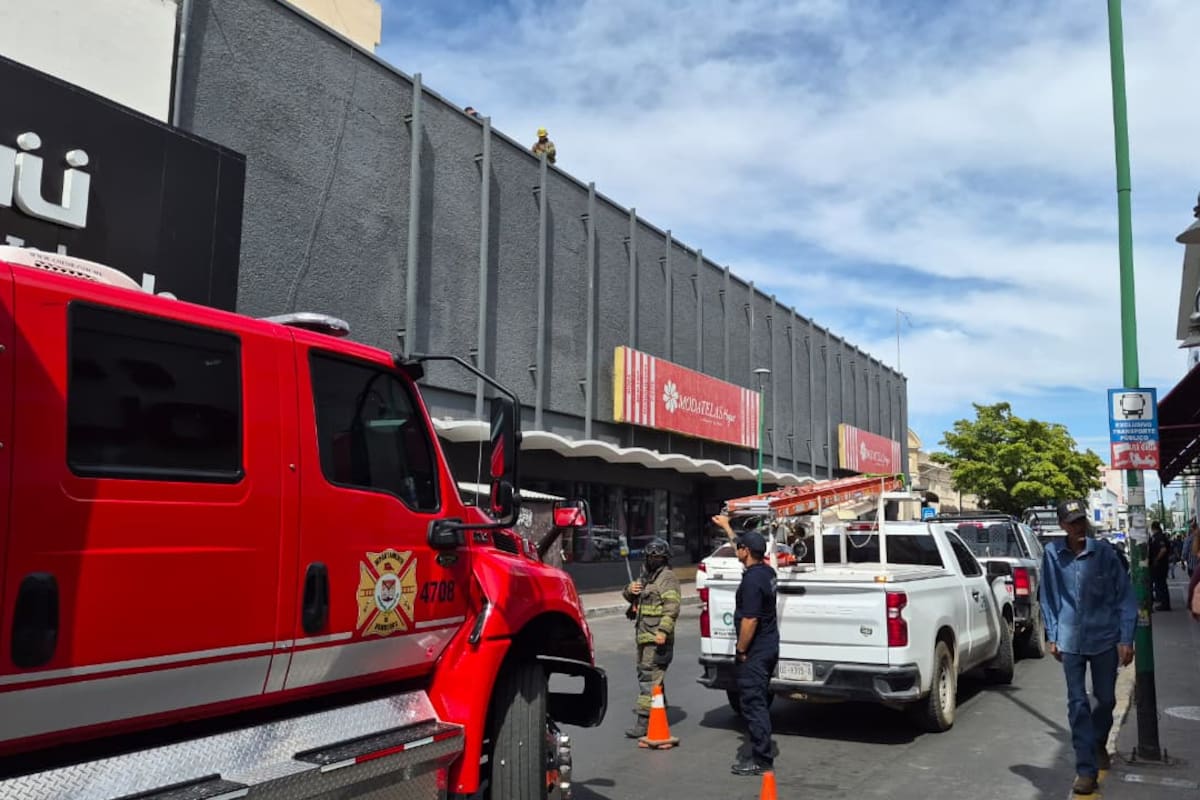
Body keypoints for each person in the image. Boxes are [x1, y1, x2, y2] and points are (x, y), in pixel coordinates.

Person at [1039, 499, 1136, 796]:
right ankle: (1085, 769)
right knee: (1077, 703)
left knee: (1105, 700)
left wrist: (1126, 637)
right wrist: (1053, 635)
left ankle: (1097, 742)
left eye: (1081, 521)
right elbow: (1050, 597)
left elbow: (1125, 597)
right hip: (1070, 640)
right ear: (1062, 526)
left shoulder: (1105, 553)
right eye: (1072, 523)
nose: (1078, 527)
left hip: (1105, 638)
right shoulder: (1053, 555)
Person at [712, 514, 778, 777]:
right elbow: (741, 543)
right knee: (757, 701)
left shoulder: (752, 580)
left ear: (746, 552)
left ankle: (761, 760)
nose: (736, 549)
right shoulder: (765, 571)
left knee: (754, 704)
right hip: (770, 646)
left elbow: (750, 620)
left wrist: (741, 650)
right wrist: (728, 527)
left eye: (739, 548)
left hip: (756, 652)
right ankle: (761, 751)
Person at [620, 537, 680, 738]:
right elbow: (632, 597)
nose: (652, 560)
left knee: (648, 678)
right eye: (650, 556)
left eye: (657, 557)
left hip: (657, 639)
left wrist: (663, 631)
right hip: (644, 637)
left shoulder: (667, 578)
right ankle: (658, 711)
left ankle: (643, 722)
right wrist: (631, 590)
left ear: (664, 559)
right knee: (652, 678)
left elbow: (672, 608)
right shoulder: (647, 576)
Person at [1148, 521, 1171, 610]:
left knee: (1160, 584)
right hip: (1161, 564)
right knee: (1160, 584)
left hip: (1159, 565)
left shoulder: (1158, 537)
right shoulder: (1161, 536)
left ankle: (1164, 604)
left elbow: (1163, 549)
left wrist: (1156, 559)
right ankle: (1163, 603)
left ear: (1153, 528)